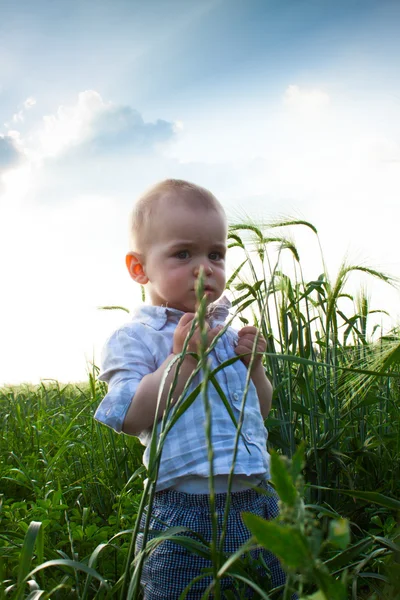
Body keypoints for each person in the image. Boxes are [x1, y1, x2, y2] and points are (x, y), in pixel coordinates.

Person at [94, 179, 290, 599]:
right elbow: (129, 416)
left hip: (258, 501)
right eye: (184, 253)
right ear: (138, 268)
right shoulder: (136, 338)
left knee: (270, 591)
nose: (205, 267)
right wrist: (181, 359)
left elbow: (259, 411)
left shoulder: (226, 331)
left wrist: (254, 368)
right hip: (184, 510)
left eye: (216, 254)